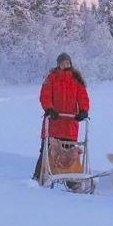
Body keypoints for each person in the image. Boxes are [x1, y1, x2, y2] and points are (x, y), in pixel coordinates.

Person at [33, 53, 90, 183]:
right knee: (46, 152)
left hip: (70, 124)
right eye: (63, 63)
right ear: (58, 64)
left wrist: (83, 110)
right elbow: (45, 95)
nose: (66, 65)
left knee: (70, 154)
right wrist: (49, 109)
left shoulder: (76, 80)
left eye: (68, 63)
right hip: (53, 123)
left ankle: (72, 181)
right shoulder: (52, 78)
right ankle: (38, 177)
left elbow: (83, 97)